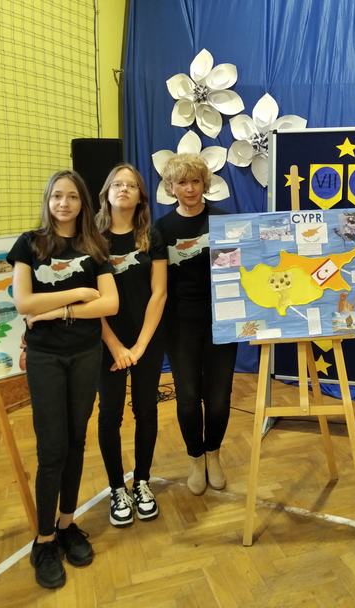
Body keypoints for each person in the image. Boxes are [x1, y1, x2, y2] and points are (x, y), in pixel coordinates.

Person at [7, 170, 118, 590]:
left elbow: (111, 303)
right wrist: (79, 293)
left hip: (85, 354)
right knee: (52, 449)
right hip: (46, 358)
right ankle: (44, 540)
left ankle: (67, 524)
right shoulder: (30, 244)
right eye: (57, 196)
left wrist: (56, 311)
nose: (64, 203)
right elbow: (23, 302)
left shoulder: (95, 246)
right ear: (48, 200)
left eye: (72, 196)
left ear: (83, 202)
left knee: (75, 441)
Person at [154, 153, 237, 495]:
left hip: (223, 321)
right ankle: (195, 458)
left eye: (195, 181)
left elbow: (242, 271)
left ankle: (213, 454)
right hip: (179, 325)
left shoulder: (225, 221)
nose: (189, 188)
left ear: (205, 184)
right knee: (188, 397)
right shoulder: (161, 229)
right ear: (171, 187)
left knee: (218, 398)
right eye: (182, 182)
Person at [96, 164, 167, 527]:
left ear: (141, 196)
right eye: (117, 184)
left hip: (147, 340)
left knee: (146, 410)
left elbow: (159, 293)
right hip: (105, 343)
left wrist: (139, 347)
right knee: (110, 415)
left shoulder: (151, 236)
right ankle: (116, 489)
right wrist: (115, 345)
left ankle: (141, 482)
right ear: (107, 192)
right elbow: (90, 299)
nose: (123, 189)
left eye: (131, 185)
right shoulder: (91, 240)